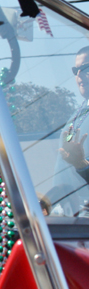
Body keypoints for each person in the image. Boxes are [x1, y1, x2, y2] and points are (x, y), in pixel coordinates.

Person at [54, 46, 89, 207]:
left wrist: (81, 165)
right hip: (69, 215)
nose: (79, 74)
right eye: (76, 70)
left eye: (85, 68)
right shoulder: (75, 116)